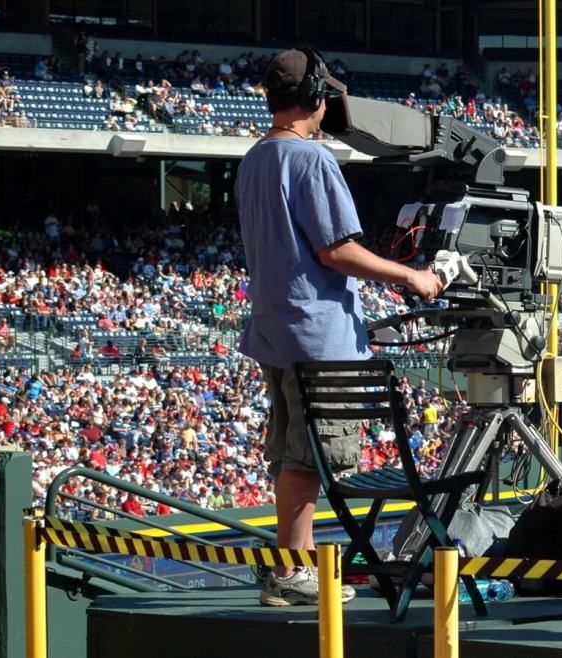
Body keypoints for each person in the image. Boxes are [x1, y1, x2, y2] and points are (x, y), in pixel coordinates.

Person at [236, 48, 442, 608]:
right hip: (318, 336)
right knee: (311, 460)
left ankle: (287, 569)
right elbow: (337, 251)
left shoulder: (254, 158)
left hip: (275, 333)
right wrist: (411, 276)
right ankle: (294, 571)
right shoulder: (312, 161)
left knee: (290, 457)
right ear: (314, 99)